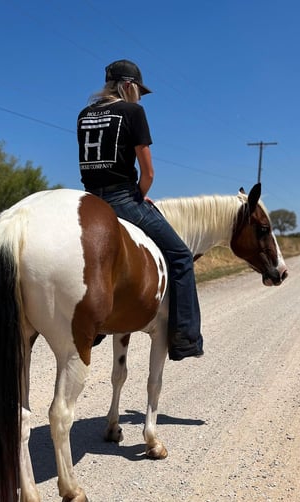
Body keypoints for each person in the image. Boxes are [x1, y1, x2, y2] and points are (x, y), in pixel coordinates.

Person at [76, 59, 203, 361]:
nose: (140, 97)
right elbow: (148, 174)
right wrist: (138, 197)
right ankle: (185, 338)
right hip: (122, 199)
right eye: (139, 91)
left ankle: (90, 330)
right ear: (129, 86)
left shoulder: (84, 114)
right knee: (182, 256)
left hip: (91, 200)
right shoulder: (133, 112)